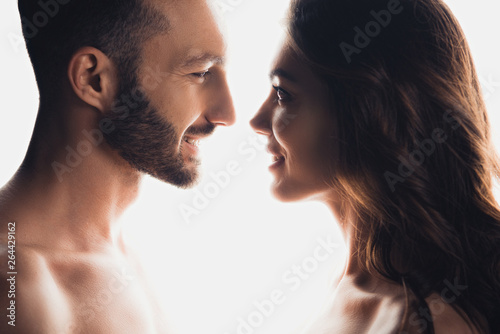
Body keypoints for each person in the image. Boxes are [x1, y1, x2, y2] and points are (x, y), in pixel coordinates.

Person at [250, 0, 500, 333]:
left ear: (368, 112)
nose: (256, 120)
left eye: (283, 94)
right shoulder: (343, 284)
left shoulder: (423, 321)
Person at [0, 0, 235, 332]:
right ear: (94, 79)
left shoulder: (130, 254)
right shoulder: (17, 289)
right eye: (199, 73)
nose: (227, 113)